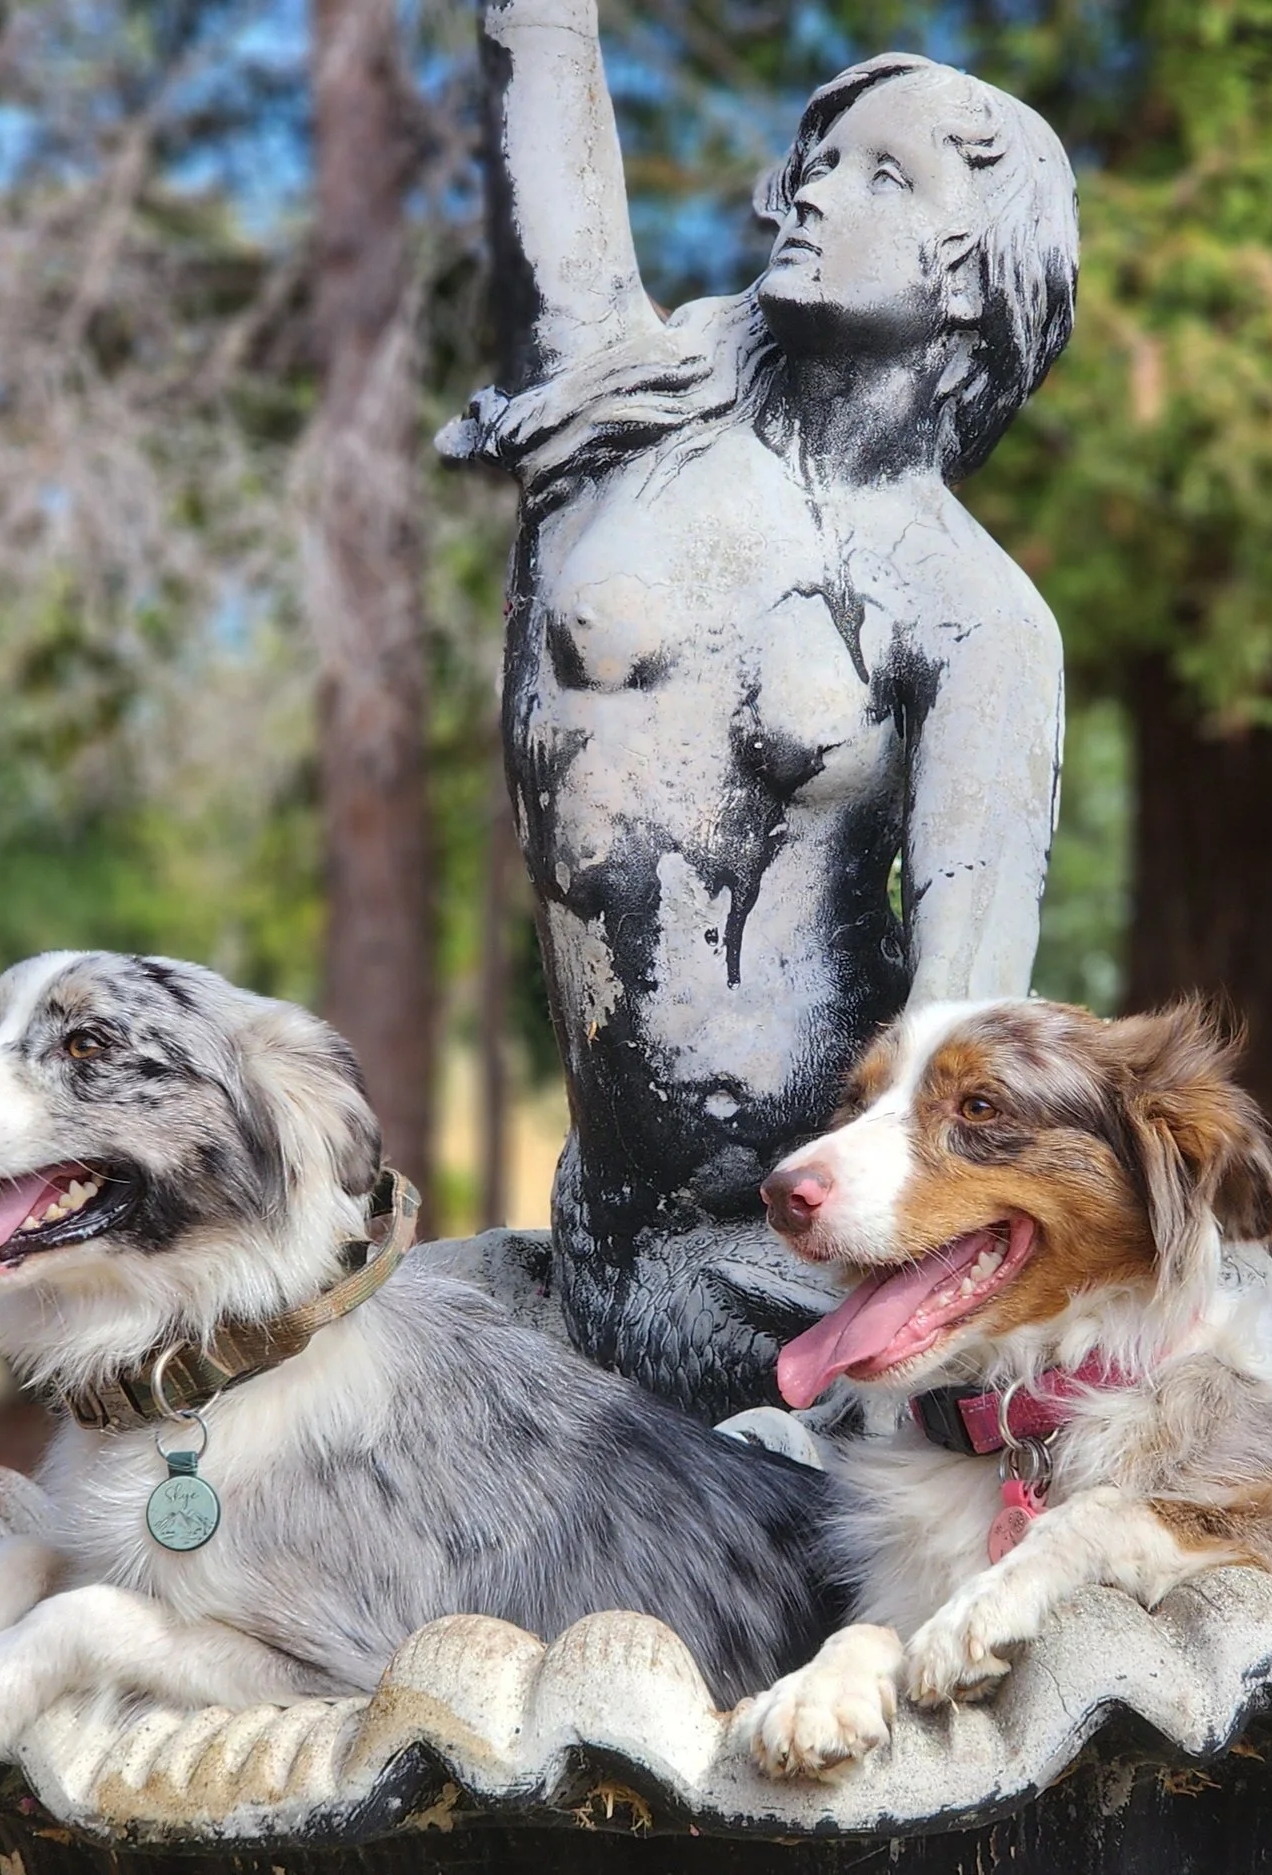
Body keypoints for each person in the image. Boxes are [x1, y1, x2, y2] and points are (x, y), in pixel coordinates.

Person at [441, 11, 1079, 1420]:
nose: (815, 193)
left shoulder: (975, 616)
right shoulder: (620, 414)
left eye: (884, 178)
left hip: (807, 1283)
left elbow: (962, 1038)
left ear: (973, 279)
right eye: (820, 163)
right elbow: (537, 60)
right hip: (597, 1236)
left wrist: (899, 1323)